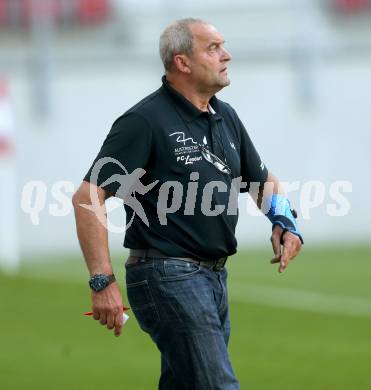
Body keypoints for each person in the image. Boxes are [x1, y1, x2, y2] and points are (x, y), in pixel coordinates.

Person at [72, 18, 303, 390]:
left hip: (214, 277)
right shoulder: (145, 120)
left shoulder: (225, 116)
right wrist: (102, 282)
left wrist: (286, 220)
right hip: (168, 275)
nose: (226, 55)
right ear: (182, 62)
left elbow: (262, 181)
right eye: (213, 48)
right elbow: (88, 197)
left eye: (223, 46)